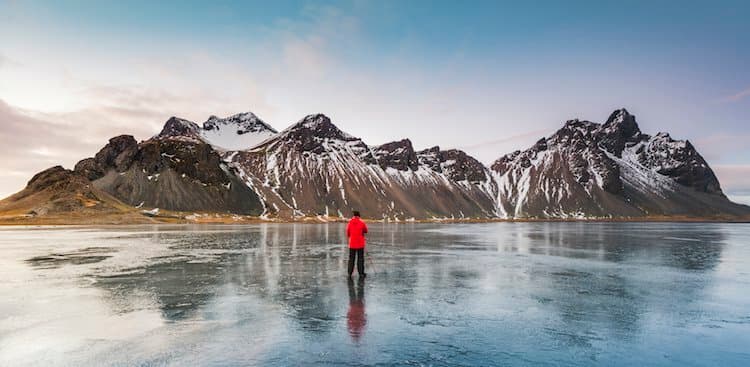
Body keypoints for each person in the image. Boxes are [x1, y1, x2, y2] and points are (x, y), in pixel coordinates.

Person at [346, 210, 368, 278]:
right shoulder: (362, 223)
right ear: (359, 216)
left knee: (351, 259)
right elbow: (366, 230)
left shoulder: (350, 223)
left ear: (353, 216)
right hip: (360, 244)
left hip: (352, 244)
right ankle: (361, 273)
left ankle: (350, 273)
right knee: (360, 259)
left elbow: (348, 233)